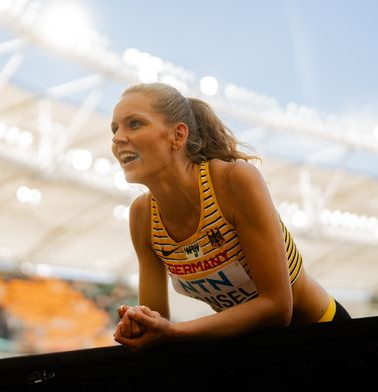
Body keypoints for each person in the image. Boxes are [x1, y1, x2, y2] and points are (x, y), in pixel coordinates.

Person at [110, 82, 351, 352]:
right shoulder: (142, 216)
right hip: (250, 350)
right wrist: (139, 323)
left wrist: (174, 331)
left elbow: (278, 307)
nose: (118, 138)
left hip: (324, 335)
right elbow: (157, 321)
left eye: (134, 124)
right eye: (115, 129)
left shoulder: (234, 181)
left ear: (177, 135)